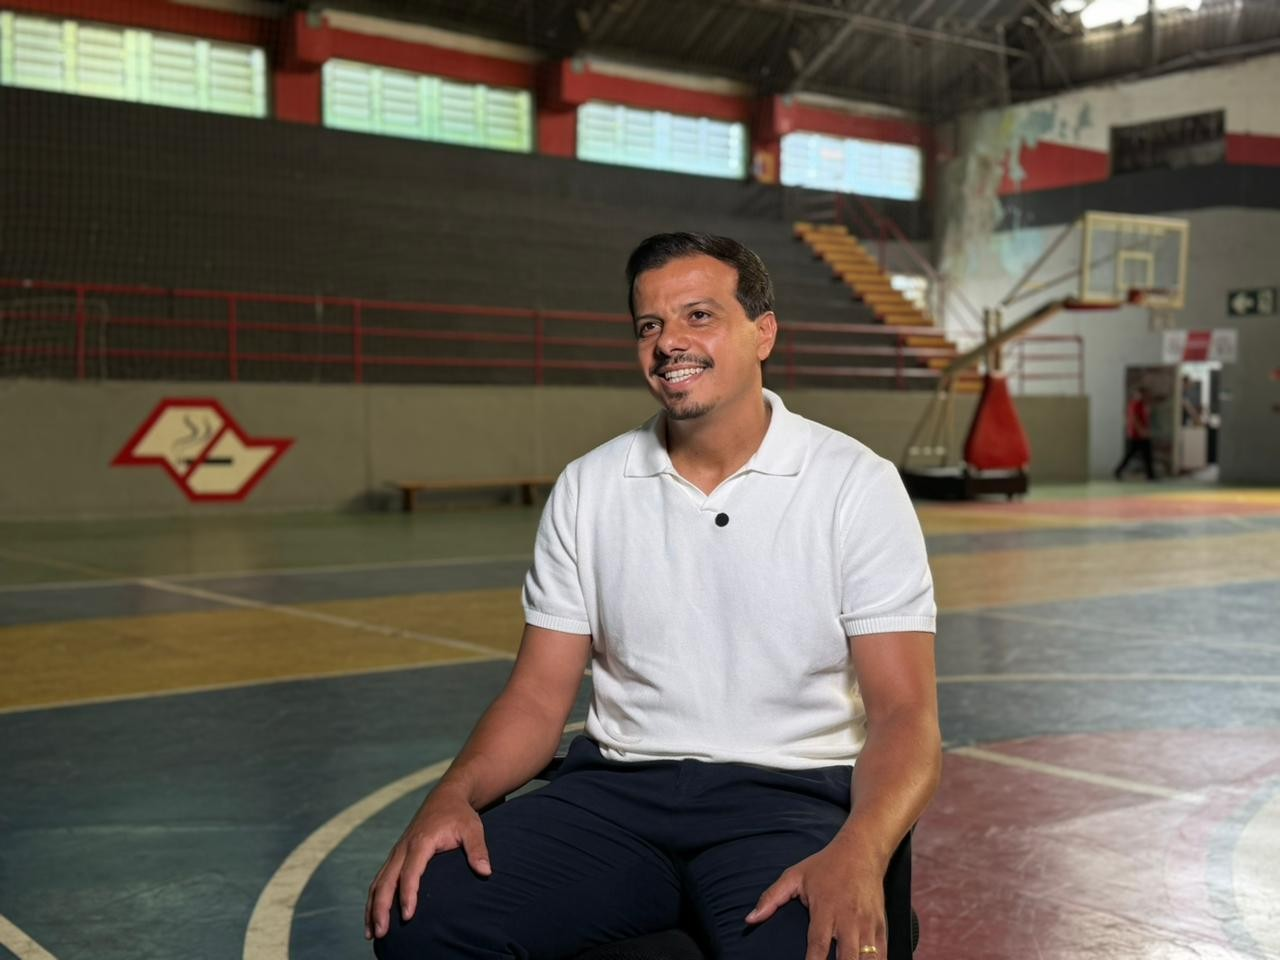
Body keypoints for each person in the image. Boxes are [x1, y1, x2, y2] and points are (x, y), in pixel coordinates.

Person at [365, 233, 942, 960]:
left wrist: (859, 850)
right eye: (650, 324)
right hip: (617, 798)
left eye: (699, 316)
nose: (670, 341)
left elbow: (904, 714)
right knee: (421, 914)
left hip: (788, 799)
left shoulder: (855, 484)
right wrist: (454, 794)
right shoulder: (589, 487)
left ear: (763, 332)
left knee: (815, 947)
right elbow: (538, 699)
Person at [1114, 384, 1156, 480]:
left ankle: (1150, 475)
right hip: (1136, 435)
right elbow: (1134, 419)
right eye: (1143, 394)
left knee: (1147, 455)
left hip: (1143, 434)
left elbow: (1145, 418)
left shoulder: (1143, 405)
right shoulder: (1135, 404)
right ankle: (1118, 471)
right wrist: (1141, 430)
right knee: (1131, 455)